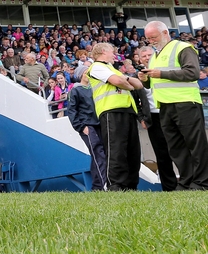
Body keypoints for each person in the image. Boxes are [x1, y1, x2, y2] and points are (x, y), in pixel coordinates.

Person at [139, 21, 208, 190]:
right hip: (165, 106)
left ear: (165, 32)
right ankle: (186, 182)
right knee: (176, 148)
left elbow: (192, 73)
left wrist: (160, 73)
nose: (151, 41)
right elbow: (155, 83)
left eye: (153, 37)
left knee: (195, 145)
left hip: (185, 102)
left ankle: (202, 182)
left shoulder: (182, 47)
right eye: (148, 39)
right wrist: (146, 80)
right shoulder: (154, 55)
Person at [86, 42, 144, 191]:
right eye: (112, 52)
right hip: (111, 111)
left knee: (133, 151)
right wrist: (127, 82)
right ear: (103, 51)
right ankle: (116, 185)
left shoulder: (111, 69)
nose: (114, 55)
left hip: (128, 111)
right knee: (116, 150)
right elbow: (119, 81)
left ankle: (131, 186)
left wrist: (126, 81)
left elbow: (139, 84)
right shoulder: (97, 67)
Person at [136, 46, 177, 191]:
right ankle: (169, 187)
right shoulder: (137, 77)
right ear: (140, 59)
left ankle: (188, 182)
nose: (147, 57)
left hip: (171, 112)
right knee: (161, 153)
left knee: (179, 149)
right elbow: (135, 101)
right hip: (153, 117)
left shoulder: (164, 72)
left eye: (149, 55)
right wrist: (141, 118)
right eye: (144, 56)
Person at [67, 67, 108, 191]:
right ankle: (104, 184)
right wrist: (81, 127)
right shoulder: (75, 90)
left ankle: (97, 187)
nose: (87, 75)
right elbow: (71, 110)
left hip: (99, 124)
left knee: (99, 154)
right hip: (87, 126)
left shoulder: (95, 88)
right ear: (80, 75)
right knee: (97, 152)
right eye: (85, 72)